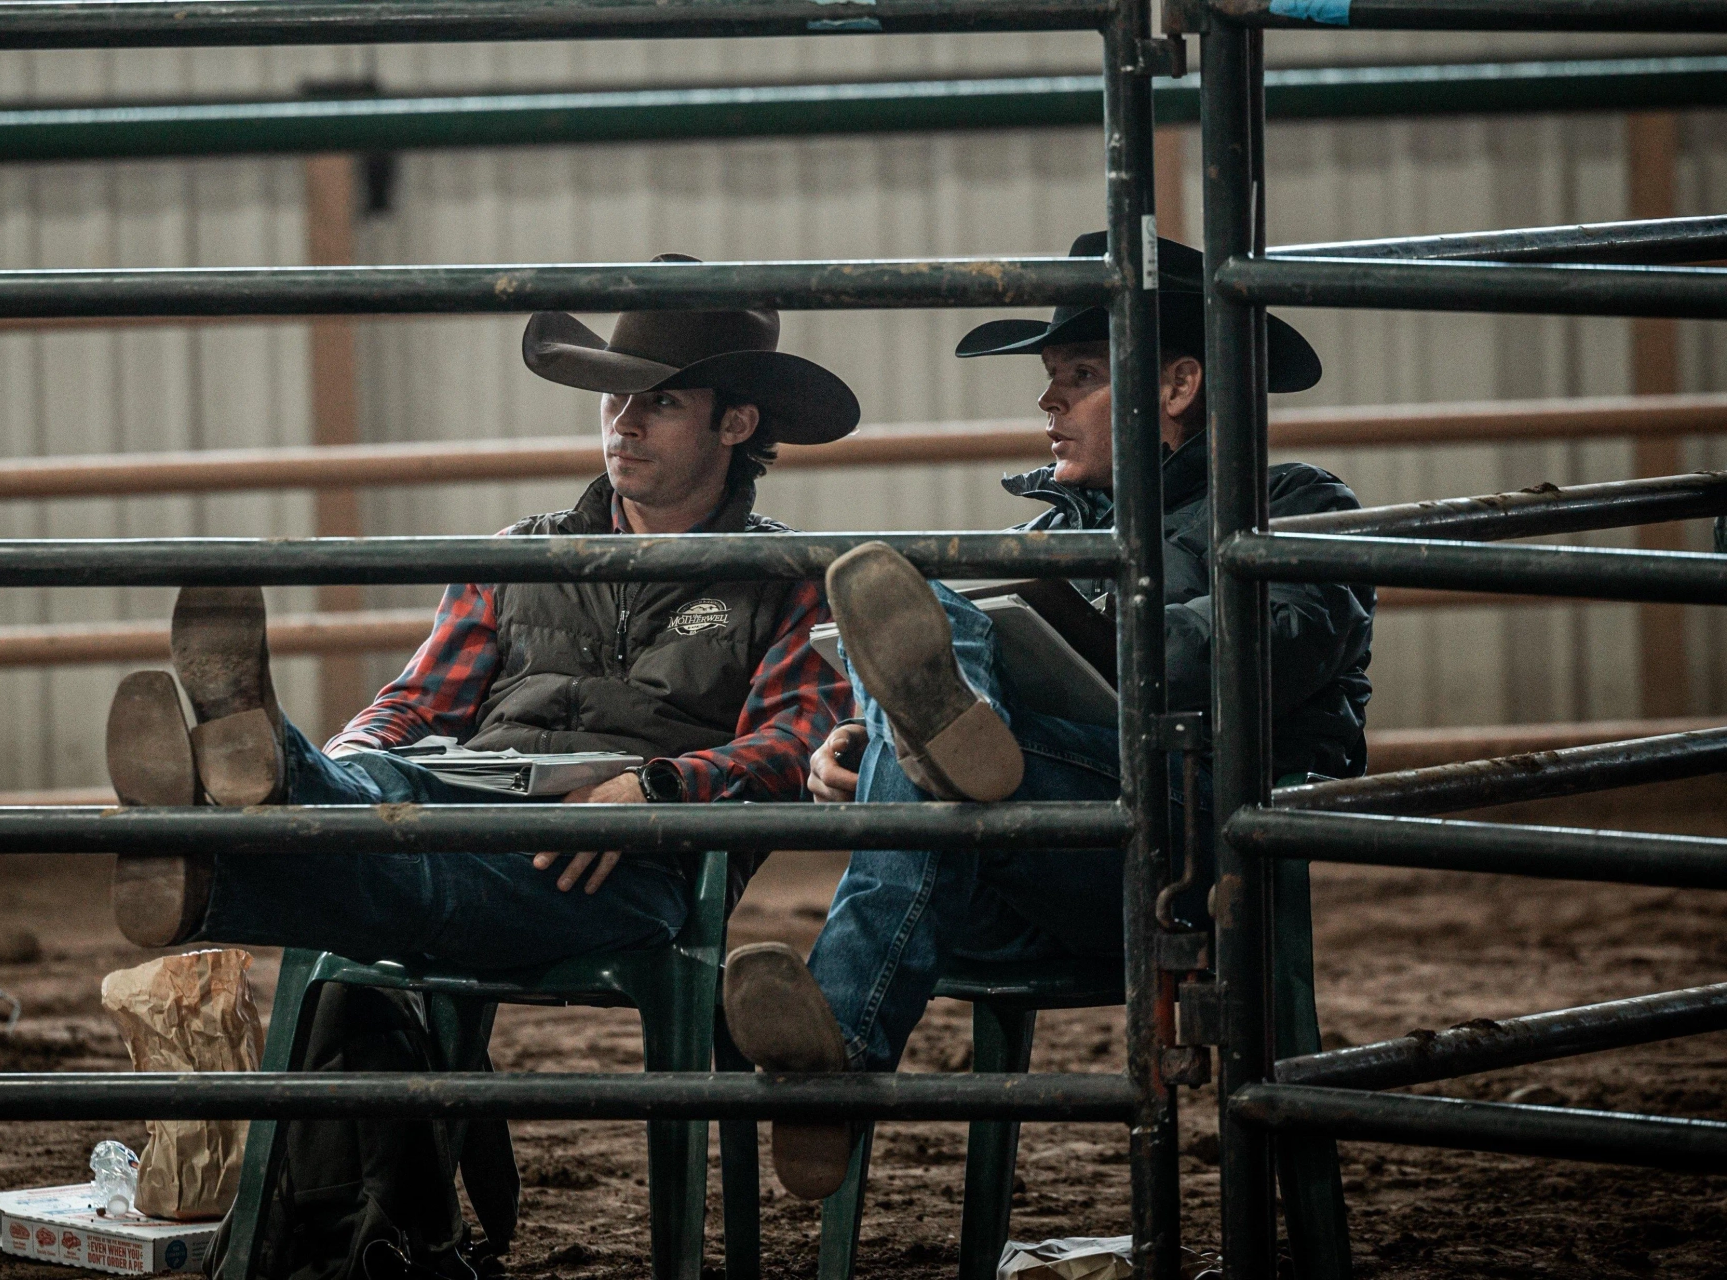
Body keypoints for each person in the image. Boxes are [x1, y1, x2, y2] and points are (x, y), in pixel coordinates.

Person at [720, 232, 1376, 1199]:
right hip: (1044, 863)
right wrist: (860, 745)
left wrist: (1082, 631)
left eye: (1077, 374)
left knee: (930, 618)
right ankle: (935, 747)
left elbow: (1261, 650)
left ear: (1180, 385)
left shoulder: (1294, 505)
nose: (1047, 401)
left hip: (1192, 860)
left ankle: (844, 1052)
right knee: (919, 615)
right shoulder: (1047, 538)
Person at [104, 255, 859, 967]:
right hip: (472, 802)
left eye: (660, 402)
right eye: (614, 396)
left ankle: (225, 850)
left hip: (635, 864)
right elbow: (417, 703)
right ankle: (288, 779)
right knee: (395, 791)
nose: (623, 424)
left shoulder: (786, 578)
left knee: (421, 871)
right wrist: (353, 761)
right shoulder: (519, 554)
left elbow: (793, 746)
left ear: (735, 425)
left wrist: (654, 791)